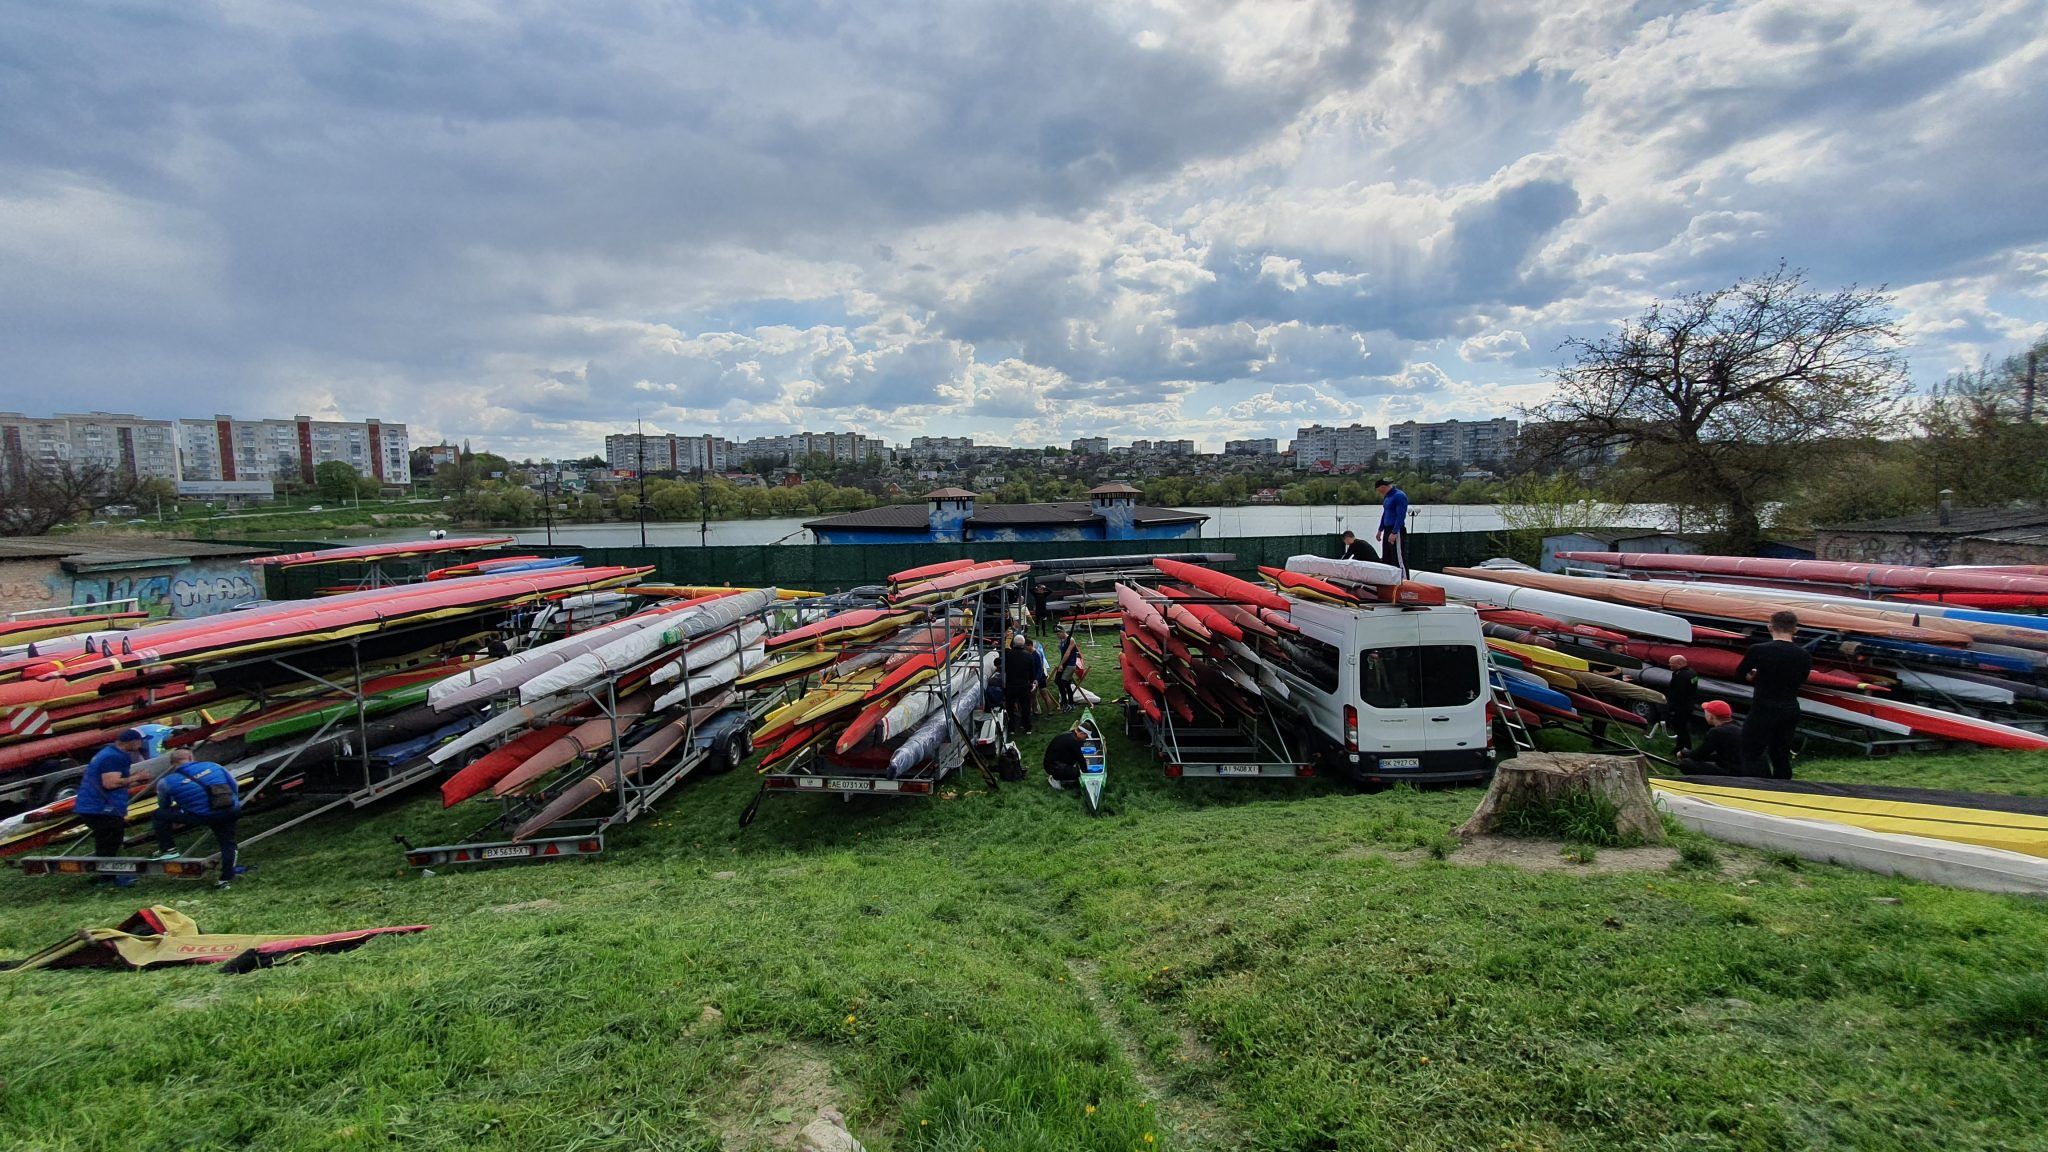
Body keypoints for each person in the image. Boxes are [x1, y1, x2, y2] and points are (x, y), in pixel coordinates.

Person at [151, 750, 244, 890]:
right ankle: (225, 880)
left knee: (159, 814)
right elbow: (234, 785)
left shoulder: (166, 782)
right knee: (228, 844)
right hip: (228, 809)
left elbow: (164, 805)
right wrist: (234, 802)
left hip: (200, 816)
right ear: (191, 757)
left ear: (172, 764)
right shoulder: (214, 766)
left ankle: (169, 849)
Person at [1736, 610, 1811, 780]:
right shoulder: (1804, 655)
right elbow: (1802, 679)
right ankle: (1782, 788)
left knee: (1751, 751)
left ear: (1769, 627)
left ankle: (1757, 787)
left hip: (1764, 706)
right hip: (1790, 707)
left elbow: (1740, 674)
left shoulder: (1758, 650)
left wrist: (1753, 675)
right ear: (1795, 630)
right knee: (1780, 754)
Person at [73, 729, 155, 881]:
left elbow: (113, 781)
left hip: (93, 805)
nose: (141, 744)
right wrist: (137, 777)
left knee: (105, 842)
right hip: (102, 807)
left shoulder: (109, 753)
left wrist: (135, 780)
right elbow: (110, 783)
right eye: (139, 741)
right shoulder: (114, 757)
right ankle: (107, 877)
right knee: (110, 842)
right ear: (131, 741)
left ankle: (104, 876)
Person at [1675, 700, 1745, 775]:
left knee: (1686, 764)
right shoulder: (1739, 728)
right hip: (1743, 769)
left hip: (1729, 772)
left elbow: (1699, 754)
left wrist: (1684, 753)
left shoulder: (1717, 732)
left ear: (1711, 716)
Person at [1002, 632, 1041, 735]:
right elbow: (1032, 671)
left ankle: (1011, 728)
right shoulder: (1028, 656)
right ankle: (1027, 727)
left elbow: (1004, 669)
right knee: (1025, 707)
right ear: (1023, 644)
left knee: (1010, 707)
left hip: (1011, 684)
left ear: (1014, 643)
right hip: (1024, 685)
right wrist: (1032, 681)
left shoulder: (1007, 655)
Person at [1663, 654, 1700, 752]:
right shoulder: (1692, 673)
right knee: (1683, 728)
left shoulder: (1681, 675)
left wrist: (1671, 706)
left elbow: (1677, 693)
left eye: (1671, 663)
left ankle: (1683, 748)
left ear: (1679, 664)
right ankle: (1682, 747)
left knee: (1680, 728)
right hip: (1688, 705)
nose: (1669, 665)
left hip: (1681, 707)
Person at [1374, 479, 1410, 574]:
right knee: (1387, 556)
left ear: (1383, 487)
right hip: (1387, 528)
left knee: (1398, 557)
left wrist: (1394, 532)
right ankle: (1389, 579)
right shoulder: (1387, 497)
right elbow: (1385, 513)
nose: (1379, 493)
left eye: (1379, 491)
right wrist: (1380, 529)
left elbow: (1401, 515)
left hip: (1396, 529)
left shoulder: (1399, 496)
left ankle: (1404, 579)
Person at [1042, 724, 1089, 790]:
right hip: (1052, 766)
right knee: (1077, 773)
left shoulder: (1070, 734)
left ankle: (1060, 774)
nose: (1086, 739)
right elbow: (1080, 758)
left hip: (1051, 762)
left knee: (1074, 762)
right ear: (1081, 733)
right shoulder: (1073, 741)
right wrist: (1086, 773)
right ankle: (1055, 778)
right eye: (1086, 736)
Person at [1054, 627, 1084, 708]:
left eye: (1058, 634)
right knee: (1058, 681)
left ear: (1063, 632)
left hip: (1070, 665)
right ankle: (1067, 702)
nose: (1057, 636)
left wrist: (1061, 664)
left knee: (1063, 683)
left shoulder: (1070, 639)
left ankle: (1068, 703)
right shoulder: (1062, 640)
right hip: (1064, 664)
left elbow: (1067, 653)